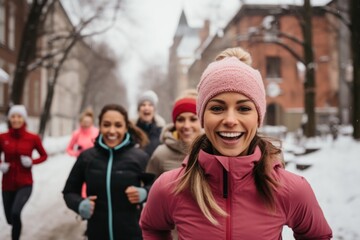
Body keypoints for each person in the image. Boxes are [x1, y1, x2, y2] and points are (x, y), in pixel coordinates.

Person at [140, 47, 332, 239]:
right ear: (202, 117)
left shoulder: (291, 189)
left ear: (258, 117)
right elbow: (152, 227)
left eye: (243, 108)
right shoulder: (170, 187)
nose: (230, 120)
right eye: (217, 108)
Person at [63, 103, 154, 240]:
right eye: (106, 125)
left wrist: (145, 192)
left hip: (132, 234)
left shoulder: (139, 157)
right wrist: (79, 204)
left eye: (118, 125)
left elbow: (157, 186)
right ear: (99, 126)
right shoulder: (87, 157)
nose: (112, 131)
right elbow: (69, 191)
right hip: (97, 234)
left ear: (125, 128)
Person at [0, 105, 48, 240]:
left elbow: (44, 156)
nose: (16, 120)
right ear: (9, 119)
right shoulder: (2, 137)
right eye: (13, 117)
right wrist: (1, 165)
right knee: (10, 219)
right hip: (7, 184)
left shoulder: (32, 138)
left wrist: (32, 161)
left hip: (25, 184)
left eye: (19, 116)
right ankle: (16, 226)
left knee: (15, 213)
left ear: (24, 119)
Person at [146, 93, 202, 179]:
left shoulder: (214, 150)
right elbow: (150, 187)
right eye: (180, 120)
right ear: (174, 123)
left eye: (193, 119)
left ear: (202, 122)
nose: (186, 126)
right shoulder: (160, 154)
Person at [135, 90, 165, 157]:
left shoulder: (161, 133)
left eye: (150, 105)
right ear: (138, 110)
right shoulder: (131, 132)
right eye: (143, 105)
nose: (146, 108)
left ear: (154, 110)